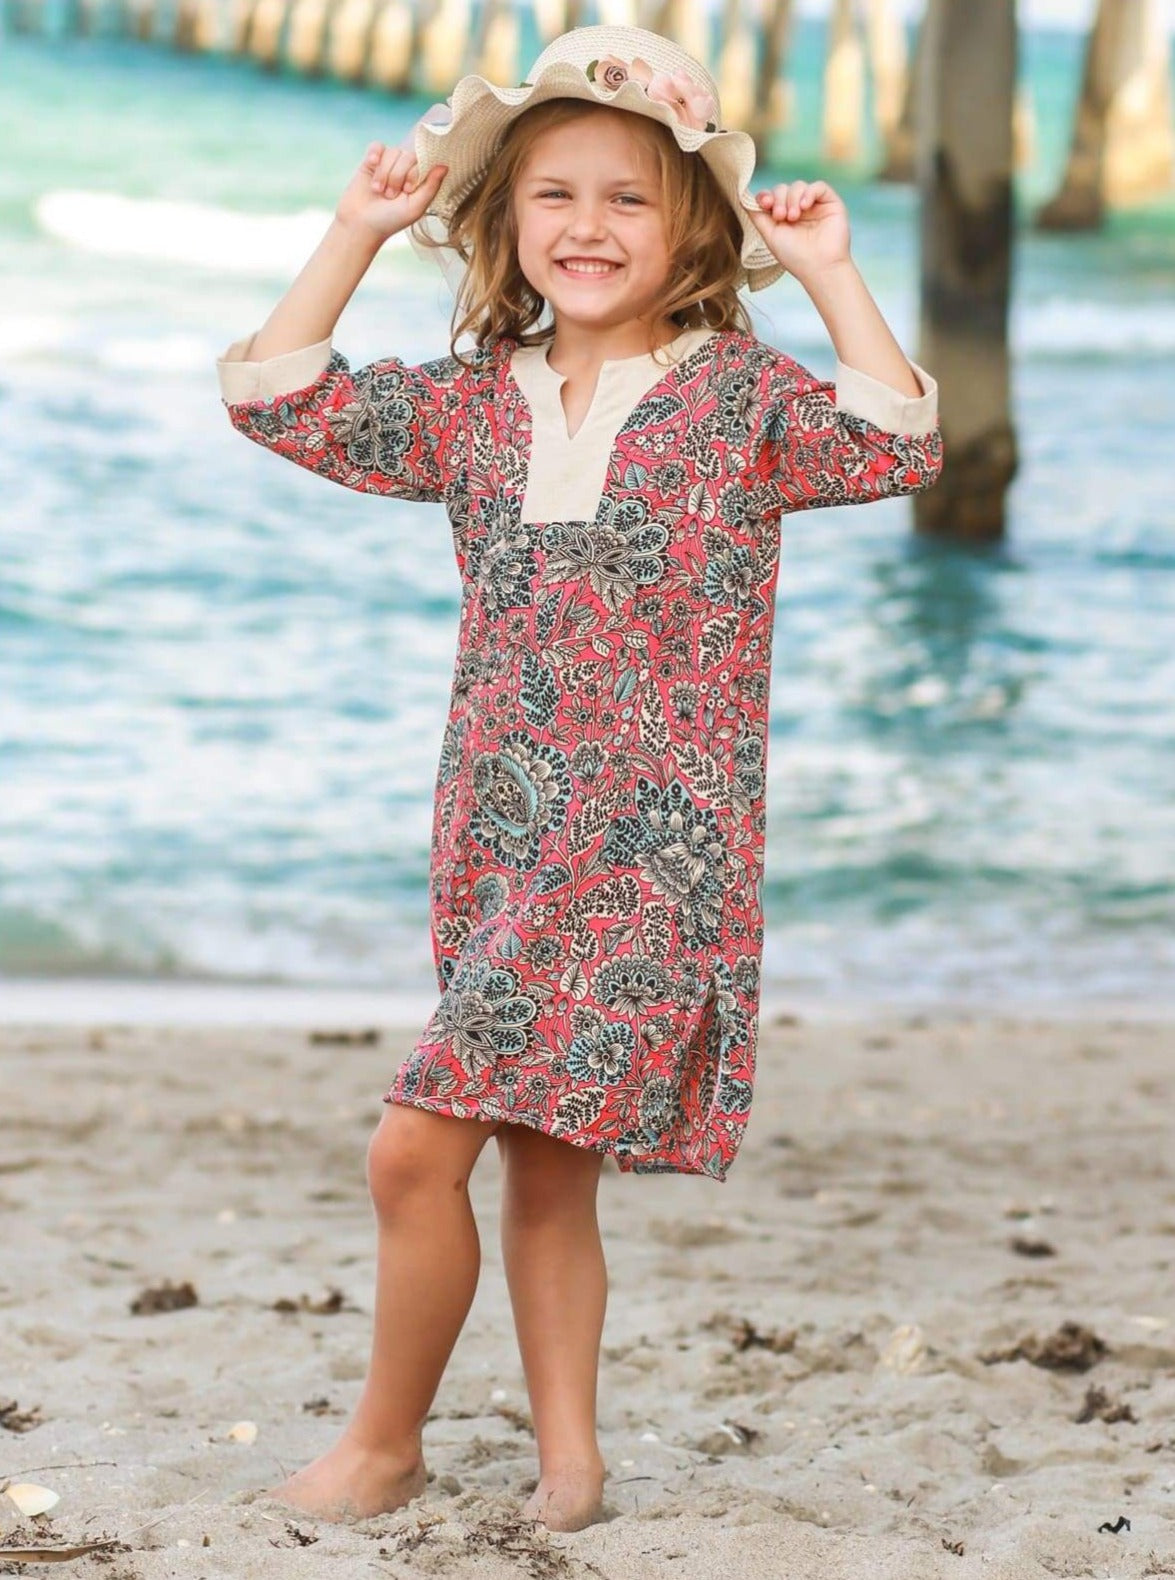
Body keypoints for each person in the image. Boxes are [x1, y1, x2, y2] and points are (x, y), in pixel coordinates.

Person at [215, 23, 942, 1534]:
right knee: (547, 1170)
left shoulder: (739, 402)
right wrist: (355, 231)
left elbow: (895, 445)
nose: (589, 226)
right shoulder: (476, 401)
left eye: (629, 197)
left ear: (694, 228)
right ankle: (574, 1469)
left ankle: (384, 1448)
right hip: (499, 838)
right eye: (555, 193)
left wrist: (827, 272)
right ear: (505, 218)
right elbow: (280, 397)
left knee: (411, 1150)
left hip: (651, 856)